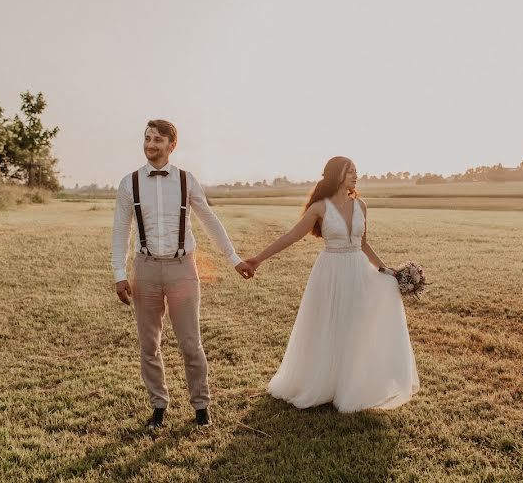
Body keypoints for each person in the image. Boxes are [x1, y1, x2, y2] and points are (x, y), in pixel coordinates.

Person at [111, 119, 255, 429]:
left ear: (171, 145)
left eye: (158, 139)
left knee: (190, 342)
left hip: (182, 269)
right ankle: (158, 407)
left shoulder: (187, 181)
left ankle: (201, 407)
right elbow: (121, 229)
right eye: (148, 138)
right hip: (145, 268)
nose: (151, 144)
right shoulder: (129, 183)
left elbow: (210, 220)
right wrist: (119, 273)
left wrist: (233, 258)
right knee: (149, 344)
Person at [246, 156, 419, 412]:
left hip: (359, 270)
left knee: (356, 325)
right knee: (329, 324)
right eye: (350, 171)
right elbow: (292, 236)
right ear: (336, 175)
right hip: (330, 271)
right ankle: (322, 383)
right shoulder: (320, 208)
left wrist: (386, 270)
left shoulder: (361, 204)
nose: (355, 175)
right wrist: (258, 259)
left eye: (356, 171)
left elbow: (363, 243)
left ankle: (349, 385)